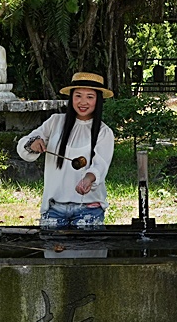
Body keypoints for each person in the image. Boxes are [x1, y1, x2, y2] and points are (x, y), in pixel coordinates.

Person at [17, 71, 115, 228]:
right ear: (71, 98)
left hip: (89, 209)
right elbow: (24, 144)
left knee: (89, 250)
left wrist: (88, 179)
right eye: (78, 96)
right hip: (54, 208)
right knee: (53, 249)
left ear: (98, 100)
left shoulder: (104, 132)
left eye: (90, 97)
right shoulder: (55, 122)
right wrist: (33, 144)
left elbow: (100, 165)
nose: (83, 102)